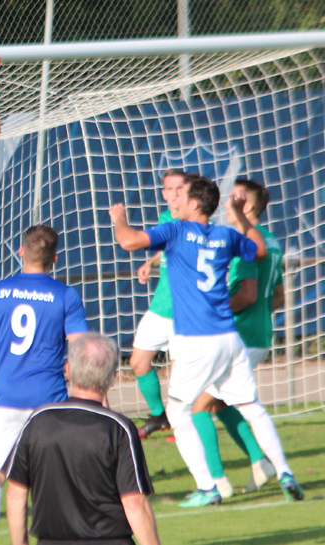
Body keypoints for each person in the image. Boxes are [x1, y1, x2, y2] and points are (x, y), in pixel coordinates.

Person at [109, 173, 304, 507]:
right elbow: (257, 249)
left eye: (182, 196)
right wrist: (241, 215)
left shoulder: (175, 230)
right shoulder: (226, 235)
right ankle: (285, 471)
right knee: (251, 407)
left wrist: (119, 220)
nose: (176, 202)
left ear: (194, 203)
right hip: (229, 339)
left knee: (179, 411)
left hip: (197, 339)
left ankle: (208, 487)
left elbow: (128, 241)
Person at [0, 224, 88, 545]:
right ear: (55, 258)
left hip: (4, 400)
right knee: (50, 481)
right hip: (50, 403)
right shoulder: (65, 296)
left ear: (20, 252)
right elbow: (82, 351)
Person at [5, 333, 160, 545]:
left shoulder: (37, 421)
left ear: (68, 369)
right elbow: (134, 503)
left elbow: (16, 495)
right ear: (113, 377)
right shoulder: (118, 429)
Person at [191, 179, 288, 498]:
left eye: (233, 197)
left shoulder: (247, 241)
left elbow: (246, 295)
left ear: (246, 205)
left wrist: (213, 308)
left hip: (242, 337)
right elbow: (277, 297)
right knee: (221, 402)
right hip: (259, 333)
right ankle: (262, 463)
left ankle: (216, 483)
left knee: (198, 406)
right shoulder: (271, 241)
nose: (226, 203)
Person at [131, 169, 185, 438]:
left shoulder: (194, 223)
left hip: (183, 312)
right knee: (138, 361)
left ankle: (180, 424)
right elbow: (167, 247)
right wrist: (150, 262)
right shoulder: (166, 218)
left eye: (180, 188)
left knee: (178, 373)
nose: (175, 194)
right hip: (159, 306)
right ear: (163, 194)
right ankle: (158, 415)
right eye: (170, 189)